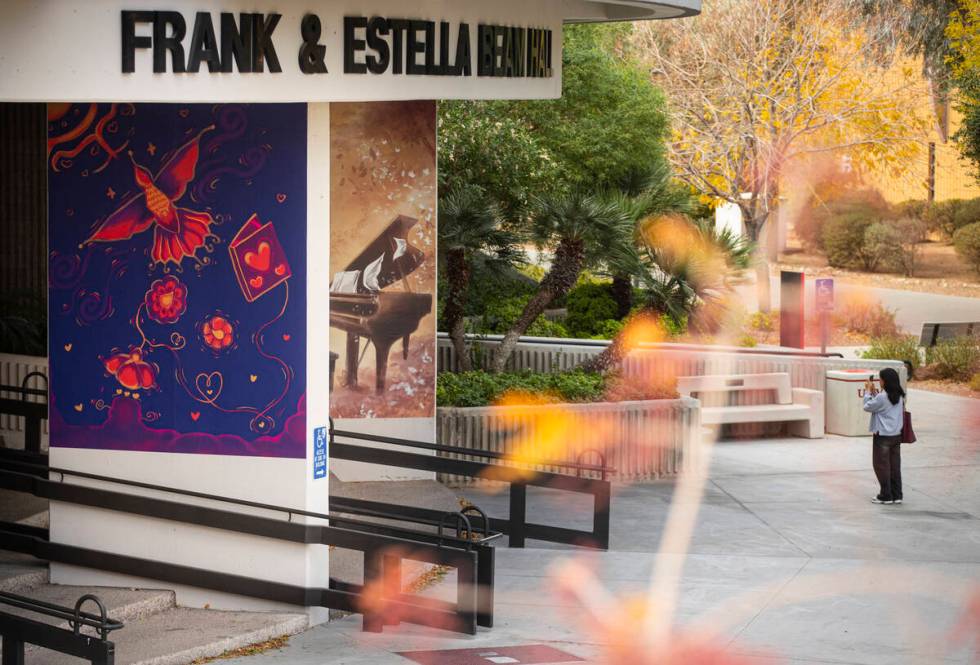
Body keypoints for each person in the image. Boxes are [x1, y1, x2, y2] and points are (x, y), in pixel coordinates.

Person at [862, 367, 905, 505]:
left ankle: (885, 495)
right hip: (896, 435)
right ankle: (897, 494)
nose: (879, 381)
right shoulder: (899, 395)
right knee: (894, 466)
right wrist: (875, 393)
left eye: (880, 379)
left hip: (882, 437)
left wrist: (868, 392)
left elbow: (867, 406)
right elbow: (882, 405)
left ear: (885, 381)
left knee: (881, 466)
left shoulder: (882, 397)